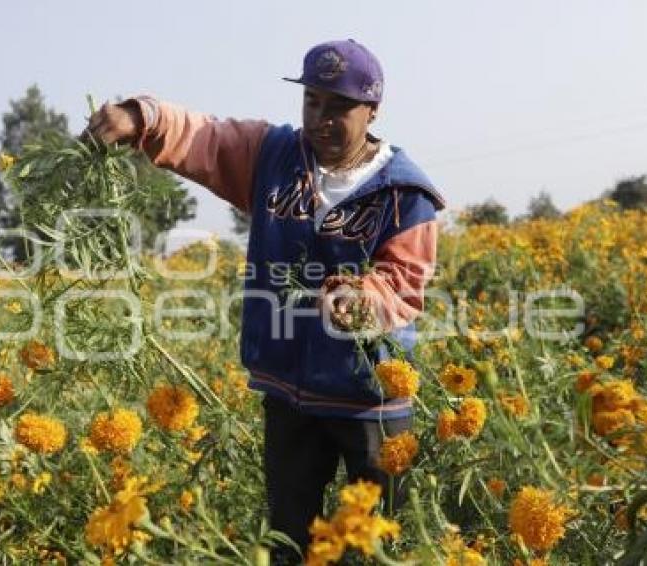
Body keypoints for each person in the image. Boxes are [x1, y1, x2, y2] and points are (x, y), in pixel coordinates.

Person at [84, 39, 445, 563]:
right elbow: (206, 137)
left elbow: (406, 280)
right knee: (288, 543)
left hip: (371, 401)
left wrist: (363, 299)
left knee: (374, 545)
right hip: (288, 394)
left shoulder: (405, 194)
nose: (321, 119)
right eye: (312, 102)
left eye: (339, 107)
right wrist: (140, 116)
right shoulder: (273, 157)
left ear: (372, 111)